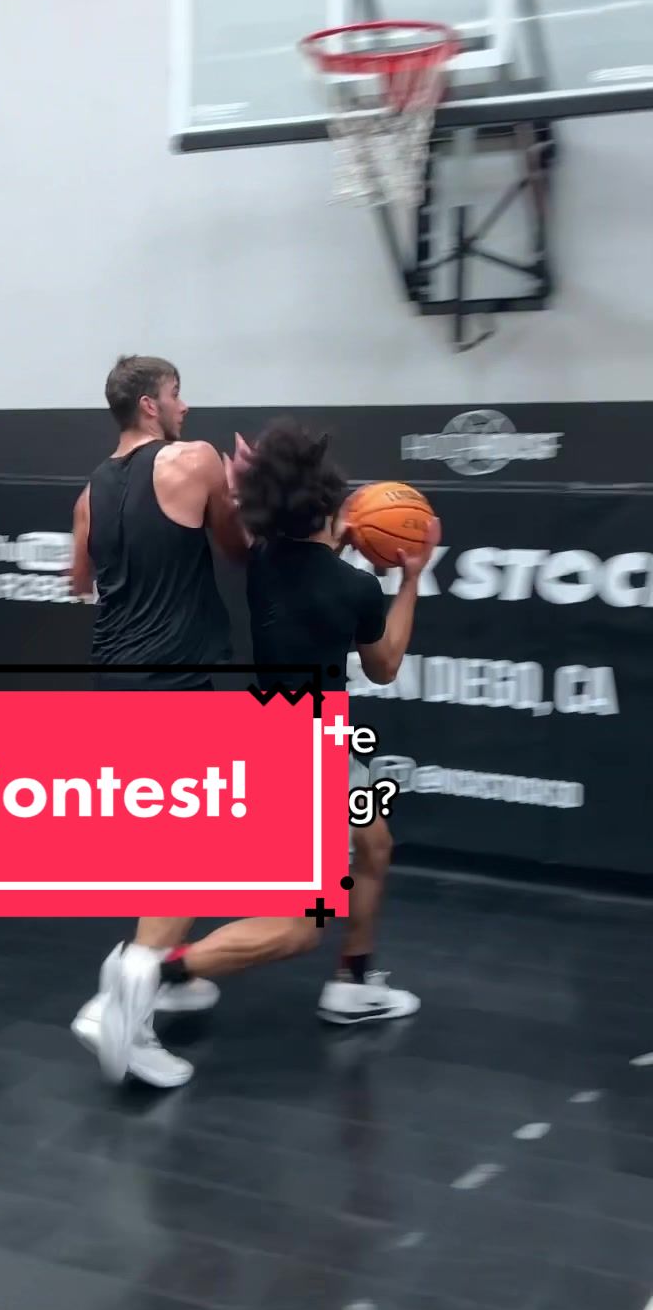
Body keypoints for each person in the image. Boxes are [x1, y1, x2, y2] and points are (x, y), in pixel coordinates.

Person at [92, 418, 441, 1089]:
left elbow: (287, 533)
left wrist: (261, 487)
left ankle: (355, 979)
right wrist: (409, 579)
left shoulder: (263, 560)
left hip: (274, 737)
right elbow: (386, 663)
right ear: (328, 503)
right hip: (312, 758)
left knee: (374, 844)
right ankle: (151, 976)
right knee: (298, 929)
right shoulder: (354, 590)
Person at [67, 355, 249, 1086]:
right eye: (176, 394)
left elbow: (80, 582)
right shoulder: (193, 459)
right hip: (173, 682)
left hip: (115, 682)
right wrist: (239, 493)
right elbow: (236, 548)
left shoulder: (90, 490)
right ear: (150, 404)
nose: (185, 405)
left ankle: (153, 980)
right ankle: (124, 1007)